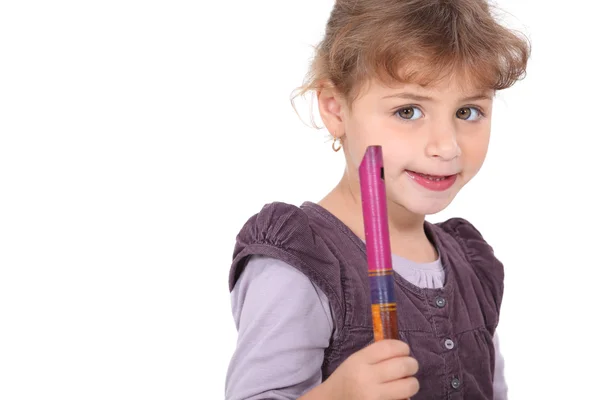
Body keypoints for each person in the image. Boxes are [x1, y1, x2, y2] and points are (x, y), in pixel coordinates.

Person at [225, 0, 530, 399]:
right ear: (335, 109)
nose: (446, 146)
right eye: (407, 111)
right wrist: (339, 395)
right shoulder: (302, 260)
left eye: (469, 111)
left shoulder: (471, 264)